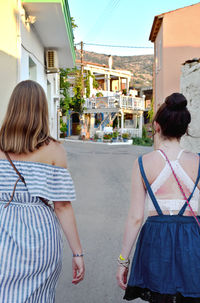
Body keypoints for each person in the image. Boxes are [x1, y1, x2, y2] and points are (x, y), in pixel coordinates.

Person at [0, 80, 85, 302]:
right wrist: (77, 253)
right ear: (42, 111)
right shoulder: (55, 150)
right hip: (39, 235)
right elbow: (62, 206)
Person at [116, 93, 200, 302]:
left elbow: (136, 218)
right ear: (185, 129)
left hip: (156, 239)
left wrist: (123, 261)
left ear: (157, 126)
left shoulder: (143, 163)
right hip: (192, 239)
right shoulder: (198, 162)